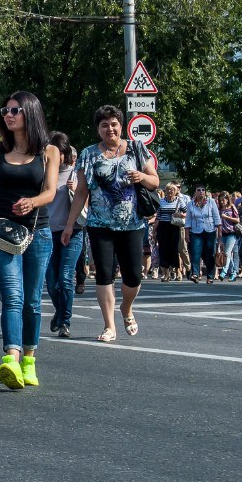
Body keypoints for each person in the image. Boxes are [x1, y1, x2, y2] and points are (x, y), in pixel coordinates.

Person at [0, 91, 59, 390]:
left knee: (32, 301)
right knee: (12, 296)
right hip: (2, 234)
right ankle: (11, 359)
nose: (8, 115)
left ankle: (29, 361)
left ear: (30, 113)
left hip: (38, 233)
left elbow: (51, 191)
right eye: (5, 110)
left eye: (15, 110)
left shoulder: (49, 152)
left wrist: (33, 201)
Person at [63, 104, 159, 345]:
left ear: (121, 125)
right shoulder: (89, 154)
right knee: (104, 274)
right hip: (99, 224)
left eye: (114, 124)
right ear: (98, 129)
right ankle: (109, 325)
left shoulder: (136, 148)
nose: (110, 129)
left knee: (133, 276)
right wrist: (69, 224)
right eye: (104, 125)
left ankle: (126, 308)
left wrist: (142, 177)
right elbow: (82, 190)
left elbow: (155, 182)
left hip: (133, 224)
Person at [45, 133, 82, 338]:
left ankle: (64, 322)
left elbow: (88, 203)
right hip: (47, 232)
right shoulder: (44, 173)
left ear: (64, 153)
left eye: (55, 151)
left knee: (65, 278)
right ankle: (59, 312)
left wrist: (76, 191)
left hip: (73, 231)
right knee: (51, 281)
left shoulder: (76, 173)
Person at [184, 185, 221, 285]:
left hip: (210, 230)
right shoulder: (191, 204)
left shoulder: (211, 202)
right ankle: (195, 274)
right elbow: (188, 220)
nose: (201, 192)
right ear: (195, 192)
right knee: (196, 253)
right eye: (198, 190)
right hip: (196, 231)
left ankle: (210, 276)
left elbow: (217, 218)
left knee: (209, 254)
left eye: (203, 190)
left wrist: (220, 232)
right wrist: (187, 234)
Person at [155, 183, 189, 282]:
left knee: (174, 250)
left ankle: (178, 271)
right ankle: (166, 274)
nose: (170, 191)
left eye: (172, 190)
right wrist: (154, 231)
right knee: (163, 250)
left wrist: (181, 214)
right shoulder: (161, 201)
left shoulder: (179, 201)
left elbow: (187, 213)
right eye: (168, 189)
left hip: (174, 227)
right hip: (163, 226)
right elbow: (158, 217)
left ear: (176, 191)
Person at [217, 193, 241, 281]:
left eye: (223, 200)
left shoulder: (232, 207)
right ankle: (233, 273)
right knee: (228, 255)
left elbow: (237, 220)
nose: (222, 202)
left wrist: (226, 217)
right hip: (222, 233)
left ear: (227, 199)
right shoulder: (219, 209)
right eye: (220, 200)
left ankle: (223, 272)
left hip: (231, 233)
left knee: (227, 253)